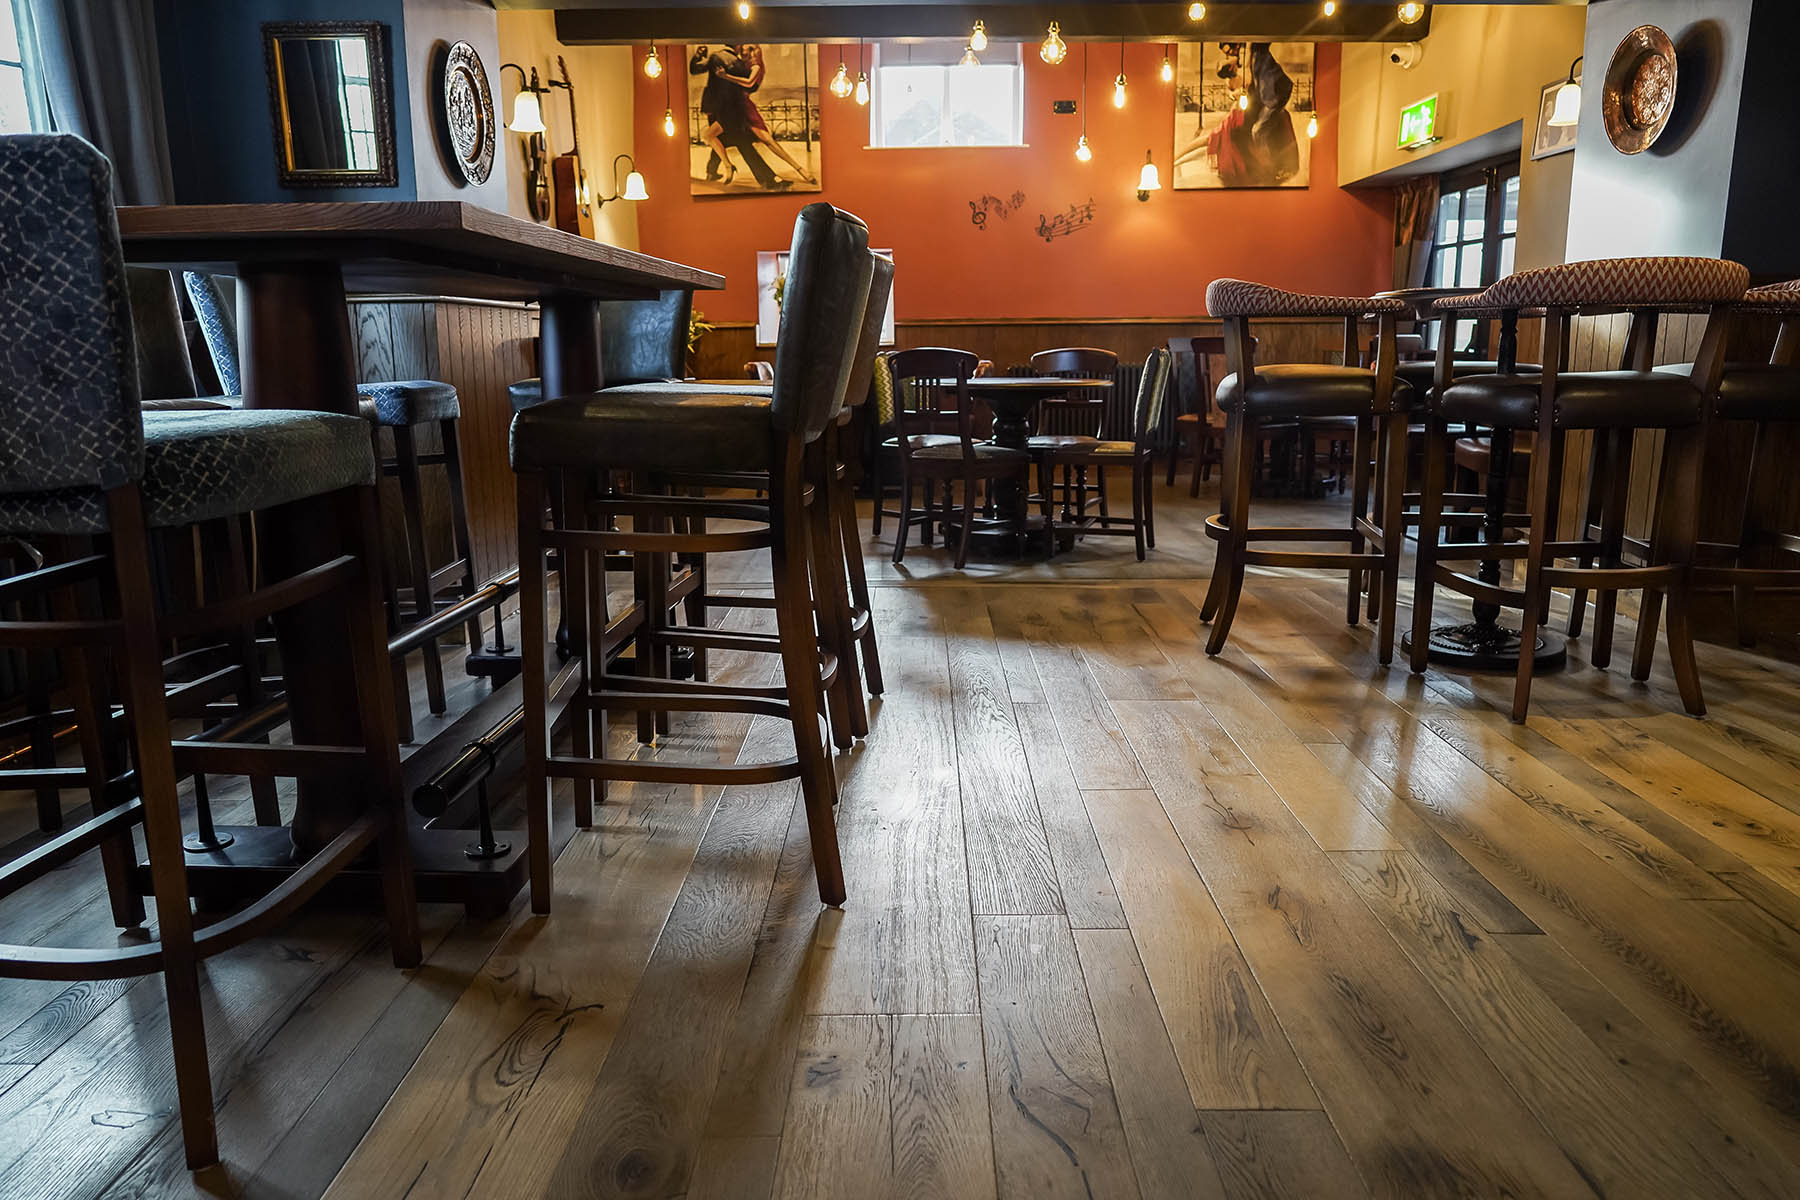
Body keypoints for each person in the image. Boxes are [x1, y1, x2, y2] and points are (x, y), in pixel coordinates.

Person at [1174, 42, 1300, 187]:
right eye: (1228, 54)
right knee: (1213, 138)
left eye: (1230, 51)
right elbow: (1246, 89)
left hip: (1243, 111)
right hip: (1241, 112)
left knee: (1213, 138)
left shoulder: (1242, 66)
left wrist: (1238, 94)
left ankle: (1178, 156)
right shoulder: (1241, 72)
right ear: (1231, 68)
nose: (1231, 55)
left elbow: (1245, 89)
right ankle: (1178, 156)